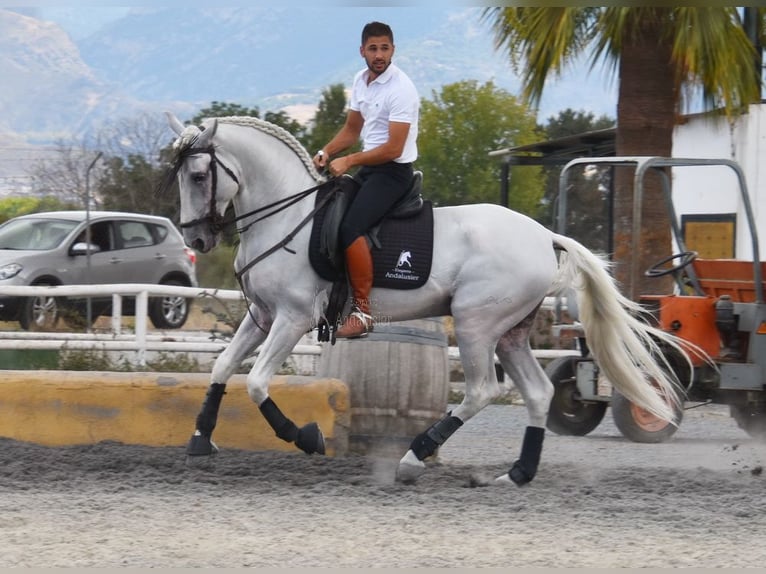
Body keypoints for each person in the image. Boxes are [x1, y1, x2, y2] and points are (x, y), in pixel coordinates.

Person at [313, 21, 419, 339]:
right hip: (370, 169)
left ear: (393, 49)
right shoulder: (361, 80)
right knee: (326, 213)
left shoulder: (402, 89)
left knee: (350, 228)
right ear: (362, 51)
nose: (379, 54)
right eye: (373, 48)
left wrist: (349, 160)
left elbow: (392, 148)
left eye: (384, 48)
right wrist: (327, 152)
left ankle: (362, 312)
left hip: (393, 172)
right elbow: (352, 130)